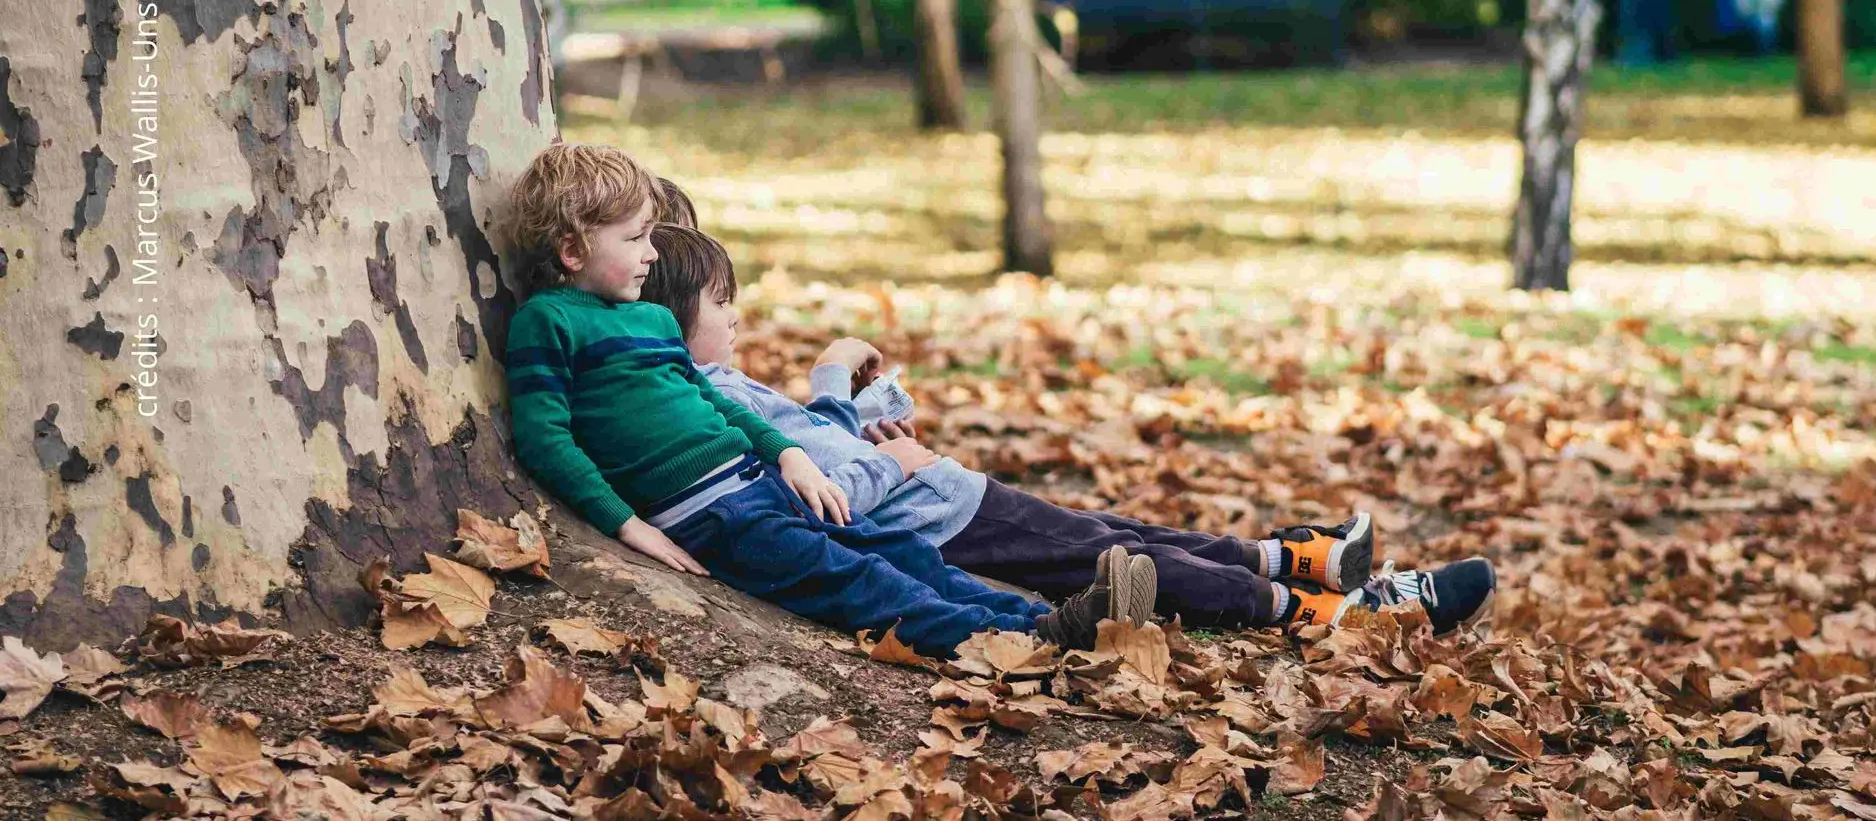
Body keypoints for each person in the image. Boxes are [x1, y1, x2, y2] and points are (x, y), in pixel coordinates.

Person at [639, 212, 1501, 638]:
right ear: (673, 315)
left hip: (946, 496)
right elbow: (824, 487)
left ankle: (1297, 555)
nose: (737, 319)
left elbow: (819, 451)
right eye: (723, 304)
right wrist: (874, 437)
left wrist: (861, 414)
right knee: (1125, 561)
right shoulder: (706, 393)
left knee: (1121, 531)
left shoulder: (712, 380)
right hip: (940, 519)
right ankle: (1335, 613)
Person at [502, 142, 1159, 658]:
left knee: (903, 554)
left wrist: (788, 453)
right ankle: (1020, 645)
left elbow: (714, 401)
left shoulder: (648, 320)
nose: (652, 253)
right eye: (635, 238)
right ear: (572, 247)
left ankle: (1050, 620)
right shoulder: (550, 321)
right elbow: (545, 437)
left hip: (761, 482)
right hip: (712, 516)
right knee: (862, 583)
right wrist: (626, 523)